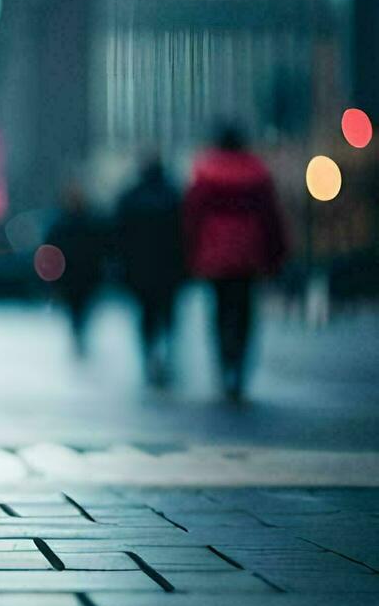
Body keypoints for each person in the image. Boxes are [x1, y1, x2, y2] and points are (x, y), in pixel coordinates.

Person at [182, 125, 287, 402]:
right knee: (244, 311)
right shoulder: (257, 174)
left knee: (219, 310)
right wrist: (275, 255)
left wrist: (190, 254)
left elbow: (191, 218)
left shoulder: (205, 173)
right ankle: (239, 364)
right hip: (248, 254)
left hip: (215, 255)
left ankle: (224, 362)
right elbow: (271, 218)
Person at [114, 158, 185, 386]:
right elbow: (184, 234)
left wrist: (121, 265)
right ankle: (166, 349)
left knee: (146, 313)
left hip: (140, 268)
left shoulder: (130, 197)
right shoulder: (173, 196)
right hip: (169, 267)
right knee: (167, 312)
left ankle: (149, 352)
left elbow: (119, 236)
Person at [45, 185, 106, 357]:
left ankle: (79, 334)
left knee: (80, 309)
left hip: (81, 275)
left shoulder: (68, 223)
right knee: (77, 309)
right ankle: (78, 334)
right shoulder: (76, 222)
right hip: (76, 275)